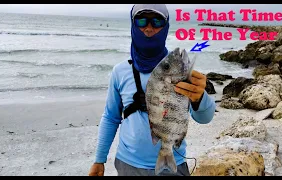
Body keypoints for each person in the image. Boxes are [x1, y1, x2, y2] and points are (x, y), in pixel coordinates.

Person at [88, 4, 216, 176]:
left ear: (166, 26)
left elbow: (204, 118)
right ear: (133, 25)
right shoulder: (120, 71)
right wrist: (99, 159)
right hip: (128, 164)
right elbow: (111, 117)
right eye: (141, 21)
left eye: (156, 21)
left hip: (174, 164)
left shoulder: (179, 69)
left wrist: (200, 98)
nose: (148, 28)